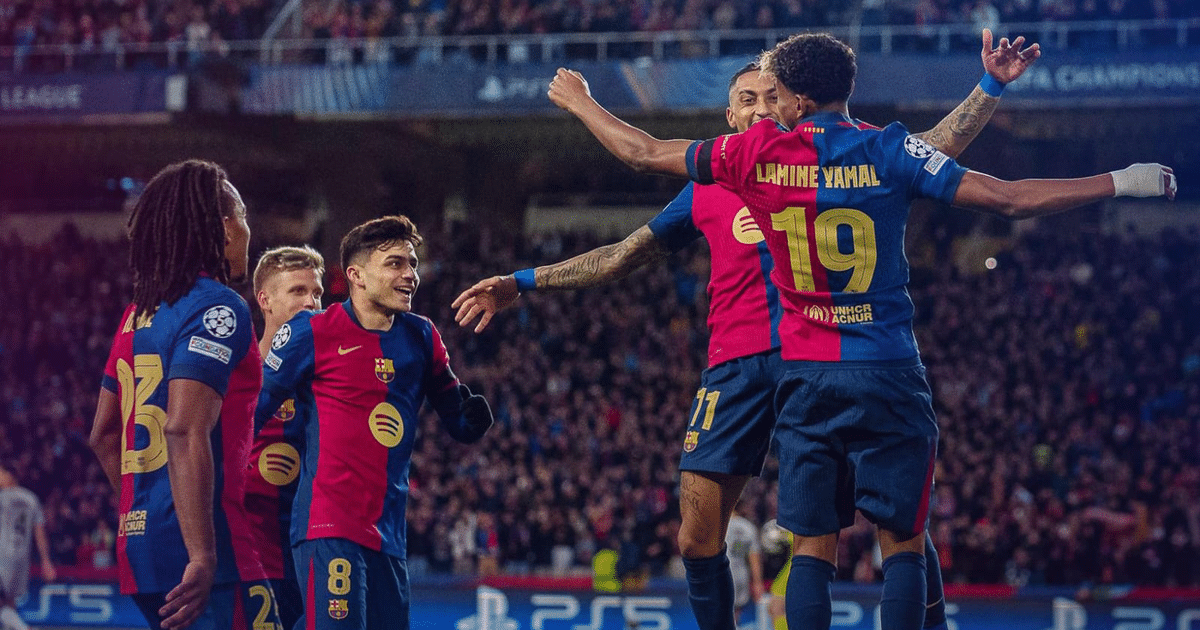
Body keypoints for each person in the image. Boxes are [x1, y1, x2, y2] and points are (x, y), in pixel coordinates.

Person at [545, 32, 1175, 630]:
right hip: (889, 366)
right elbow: (1007, 197)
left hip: (807, 374)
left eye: (775, 94)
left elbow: (641, 152)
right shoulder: (891, 147)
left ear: (797, 100)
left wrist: (581, 101)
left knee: (812, 544)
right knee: (902, 538)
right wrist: (1121, 180)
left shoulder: (751, 155)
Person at [454, 31, 1039, 630]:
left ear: (791, 99)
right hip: (735, 367)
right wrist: (522, 281)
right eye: (749, 99)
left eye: (771, 94)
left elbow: (933, 150)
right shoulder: (709, 183)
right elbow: (622, 255)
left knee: (896, 519)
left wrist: (989, 86)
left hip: (812, 358)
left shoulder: (839, 158)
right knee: (695, 537)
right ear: (730, 115)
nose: (763, 107)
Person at [255, 215, 495, 630]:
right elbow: (254, 411)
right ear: (357, 275)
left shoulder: (421, 336)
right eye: (396, 264)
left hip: (388, 535)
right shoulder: (311, 331)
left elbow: (454, 411)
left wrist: (470, 418)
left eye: (413, 263)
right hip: (327, 525)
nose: (410, 275)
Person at [88, 159, 281, 630]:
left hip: (141, 546)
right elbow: (183, 427)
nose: (249, 230)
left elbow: (102, 435)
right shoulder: (220, 306)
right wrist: (200, 552)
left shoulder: (138, 312)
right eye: (243, 216)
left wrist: (150, 510)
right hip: (207, 550)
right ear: (222, 226)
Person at [245, 245, 326, 630]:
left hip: (317, 555)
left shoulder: (332, 382)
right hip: (251, 554)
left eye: (317, 293)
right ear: (265, 300)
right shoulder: (235, 375)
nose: (312, 303)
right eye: (298, 291)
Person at [0, 467, 55, 630]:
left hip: (2, 557)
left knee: (3, 604)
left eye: (1, 473)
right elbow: (40, 533)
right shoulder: (32, 499)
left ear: (11, 476)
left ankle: (24, 628)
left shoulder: (2, 497)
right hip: (21, 561)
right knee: (9, 604)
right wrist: (46, 561)